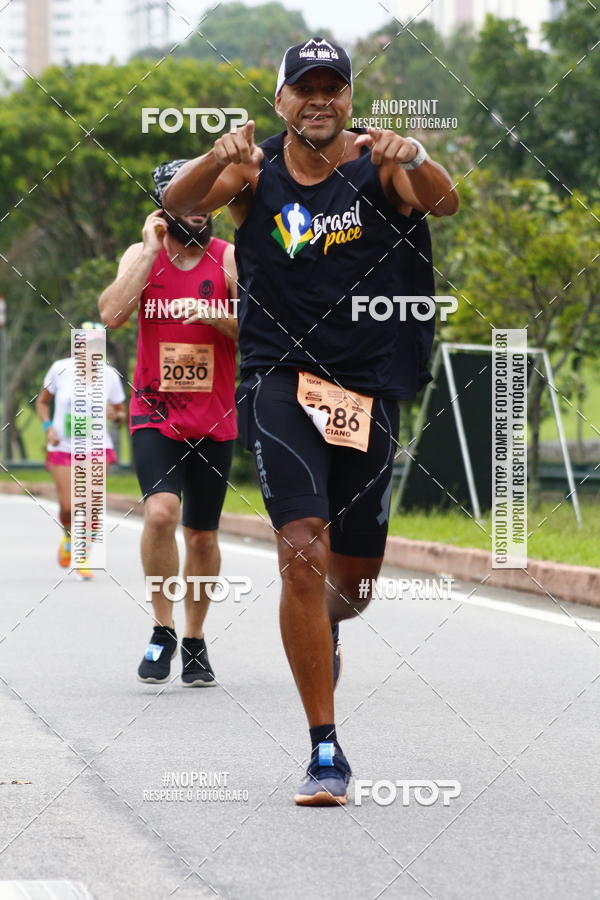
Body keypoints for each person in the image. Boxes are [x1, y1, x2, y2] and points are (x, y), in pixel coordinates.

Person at [163, 37, 459, 803]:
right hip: (278, 381)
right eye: (305, 87)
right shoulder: (252, 170)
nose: (319, 100)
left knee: (352, 589)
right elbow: (179, 205)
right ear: (282, 99)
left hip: (366, 387)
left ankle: (321, 626)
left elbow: (443, 200)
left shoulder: (379, 163)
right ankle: (324, 749)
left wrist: (418, 150)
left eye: (333, 87)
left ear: (350, 99)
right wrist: (210, 153)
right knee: (301, 548)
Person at [98, 161, 238, 688]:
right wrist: (151, 251)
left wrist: (212, 314)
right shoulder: (141, 255)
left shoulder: (228, 259)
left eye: (207, 201)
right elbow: (111, 314)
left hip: (214, 416)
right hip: (154, 411)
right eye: (188, 201)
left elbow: (264, 326)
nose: (199, 211)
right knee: (161, 514)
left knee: (201, 537)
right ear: (165, 206)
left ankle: (196, 639)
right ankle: (162, 628)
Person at [36, 321, 126, 581]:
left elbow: (121, 414)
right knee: (67, 508)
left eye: (98, 345)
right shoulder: (60, 370)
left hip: (98, 448)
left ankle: (83, 554)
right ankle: (68, 536)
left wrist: (115, 415)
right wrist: (47, 427)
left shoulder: (109, 375)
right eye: (87, 344)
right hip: (63, 447)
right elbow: (42, 403)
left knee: (91, 506)